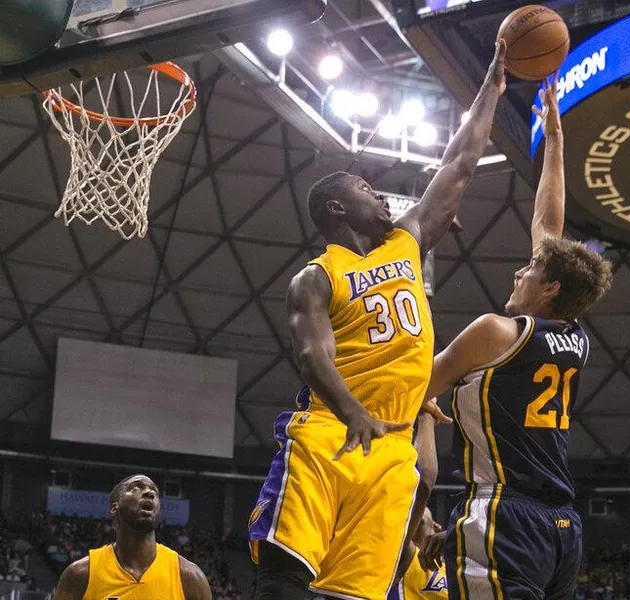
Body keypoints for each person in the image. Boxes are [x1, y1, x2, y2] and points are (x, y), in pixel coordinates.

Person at [247, 40, 507, 600]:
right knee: (283, 572)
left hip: (392, 449)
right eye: (367, 189)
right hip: (328, 433)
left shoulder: (408, 243)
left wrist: (491, 85)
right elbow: (313, 356)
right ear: (336, 208)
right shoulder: (315, 277)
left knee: (355, 593)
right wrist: (354, 413)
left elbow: (459, 163)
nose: (383, 198)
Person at [418, 75, 613, 599]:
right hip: (561, 527)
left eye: (528, 269)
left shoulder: (497, 331)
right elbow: (549, 228)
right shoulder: (575, 334)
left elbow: (414, 383)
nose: (516, 273)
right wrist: (554, 142)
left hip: (503, 513)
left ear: (549, 289)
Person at [53, 474, 211, 600]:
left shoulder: (189, 577)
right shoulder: (81, 574)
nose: (149, 493)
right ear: (115, 507)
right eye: (136, 488)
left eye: (154, 492)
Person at [389, 399, 449, 600]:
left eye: (418, 524)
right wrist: (426, 416)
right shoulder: (398, 559)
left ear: (436, 529)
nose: (409, 528)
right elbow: (420, 484)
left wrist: (459, 536)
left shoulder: (459, 570)